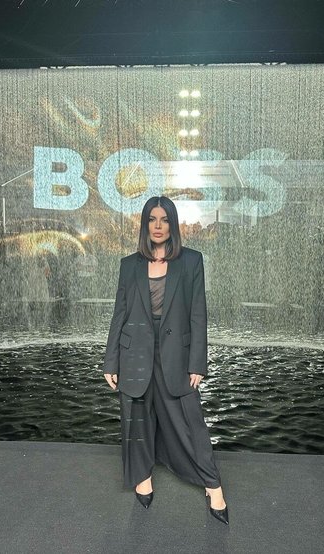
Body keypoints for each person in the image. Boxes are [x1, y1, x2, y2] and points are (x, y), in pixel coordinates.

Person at [103, 195, 229, 525]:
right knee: (137, 418)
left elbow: (198, 314)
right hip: (135, 352)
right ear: (145, 225)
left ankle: (213, 486)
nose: (158, 226)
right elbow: (119, 314)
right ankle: (142, 477)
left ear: (172, 224)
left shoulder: (191, 261)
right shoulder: (129, 265)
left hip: (177, 354)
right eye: (152, 219)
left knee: (191, 422)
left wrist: (197, 363)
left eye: (164, 219)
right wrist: (110, 361)